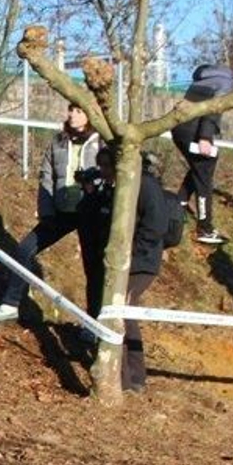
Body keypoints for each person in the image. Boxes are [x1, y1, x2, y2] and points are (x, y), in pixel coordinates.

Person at [0, 105, 100, 323]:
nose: (72, 115)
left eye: (78, 111)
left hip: (90, 212)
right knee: (24, 249)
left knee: (93, 267)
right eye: (70, 110)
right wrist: (47, 209)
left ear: (89, 114)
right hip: (60, 211)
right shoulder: (58, 141)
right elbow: (46, 177)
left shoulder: (101, 142)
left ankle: (93, 324)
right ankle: (10, 305)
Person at [77, 145, 170, 393]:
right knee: (117, 312)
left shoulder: (146, 186)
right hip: (117, 265)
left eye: (108, 166)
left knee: (122, 310)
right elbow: (92, 222)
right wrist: (90, 194)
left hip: (141, 263)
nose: (104, 171)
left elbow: (156, 225)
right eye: (101, 167)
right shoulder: (109, 190)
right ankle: (124, 377)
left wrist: (132, 254)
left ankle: (134, 378)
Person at [171, 63, 233, 245]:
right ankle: (204, 228)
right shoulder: (226, 83)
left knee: (198, 169)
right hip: (195, 130)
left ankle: (178, 207)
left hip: (180, 128)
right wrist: (205, 137)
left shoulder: (207, 78)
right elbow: (213, 109)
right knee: (204, 176)